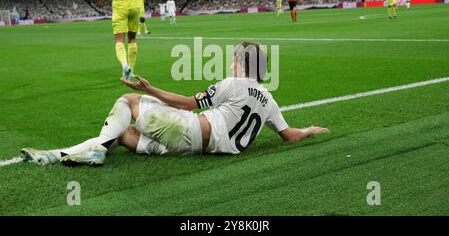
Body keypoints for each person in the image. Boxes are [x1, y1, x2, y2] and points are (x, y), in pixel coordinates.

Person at [20, 42, 329, 166]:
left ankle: (97, 152)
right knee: (125, 134)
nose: (232, 63)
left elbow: (185, 105)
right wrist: (310, 130)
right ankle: (56, 155)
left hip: (191, 129)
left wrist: (149, 89)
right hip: (195, 148)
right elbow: (289, 135)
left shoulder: (233, 84)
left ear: (241, 62)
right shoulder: (270, 100)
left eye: (235, 59)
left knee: (128, 100)